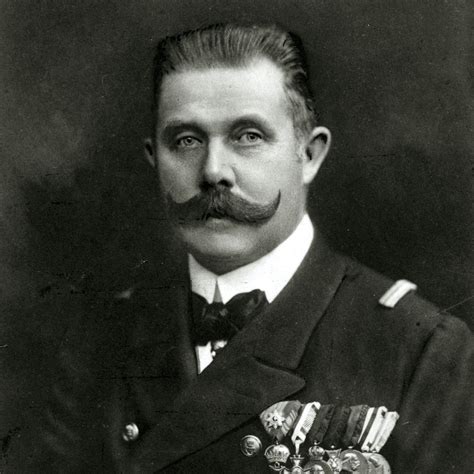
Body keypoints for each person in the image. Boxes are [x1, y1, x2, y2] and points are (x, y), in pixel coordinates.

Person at [26, 23, 472, 473]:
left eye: (248, 136)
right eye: (186, 141)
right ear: (154, 159)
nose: (213, 171)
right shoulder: (99, 341)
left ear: (309, 154)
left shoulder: (418, 348)